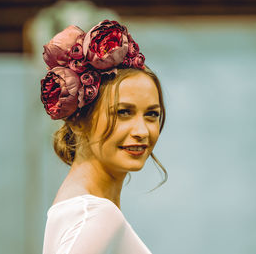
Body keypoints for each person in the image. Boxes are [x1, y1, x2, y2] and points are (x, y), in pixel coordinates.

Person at [40, 20, 167, 254]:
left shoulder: (83, 211)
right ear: (78, 122)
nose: (141, 131)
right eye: (123, 112)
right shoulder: (95, 215)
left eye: (151, 114)